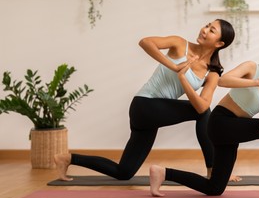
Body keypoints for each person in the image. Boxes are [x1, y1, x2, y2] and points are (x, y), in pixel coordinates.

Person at [54, 19, 235, 181]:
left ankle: (68, 158)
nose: (205, 30)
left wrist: (182, 78)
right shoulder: (180, 44)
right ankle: (213, 170)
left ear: (220, 43)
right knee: (204, 114)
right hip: (144, 105)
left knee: (123, 172)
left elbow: (202, 104)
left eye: (212, 30)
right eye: (207, 26)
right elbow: (145, 42)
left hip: (154, 114)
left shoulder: (212, 72)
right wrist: (174, 66)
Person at [150, 35, 259, 198]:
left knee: (215, 188)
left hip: (232, 132)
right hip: (220, 122)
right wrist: (257, 82)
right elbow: (223, 80)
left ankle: (163, 173)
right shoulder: (251, 67)